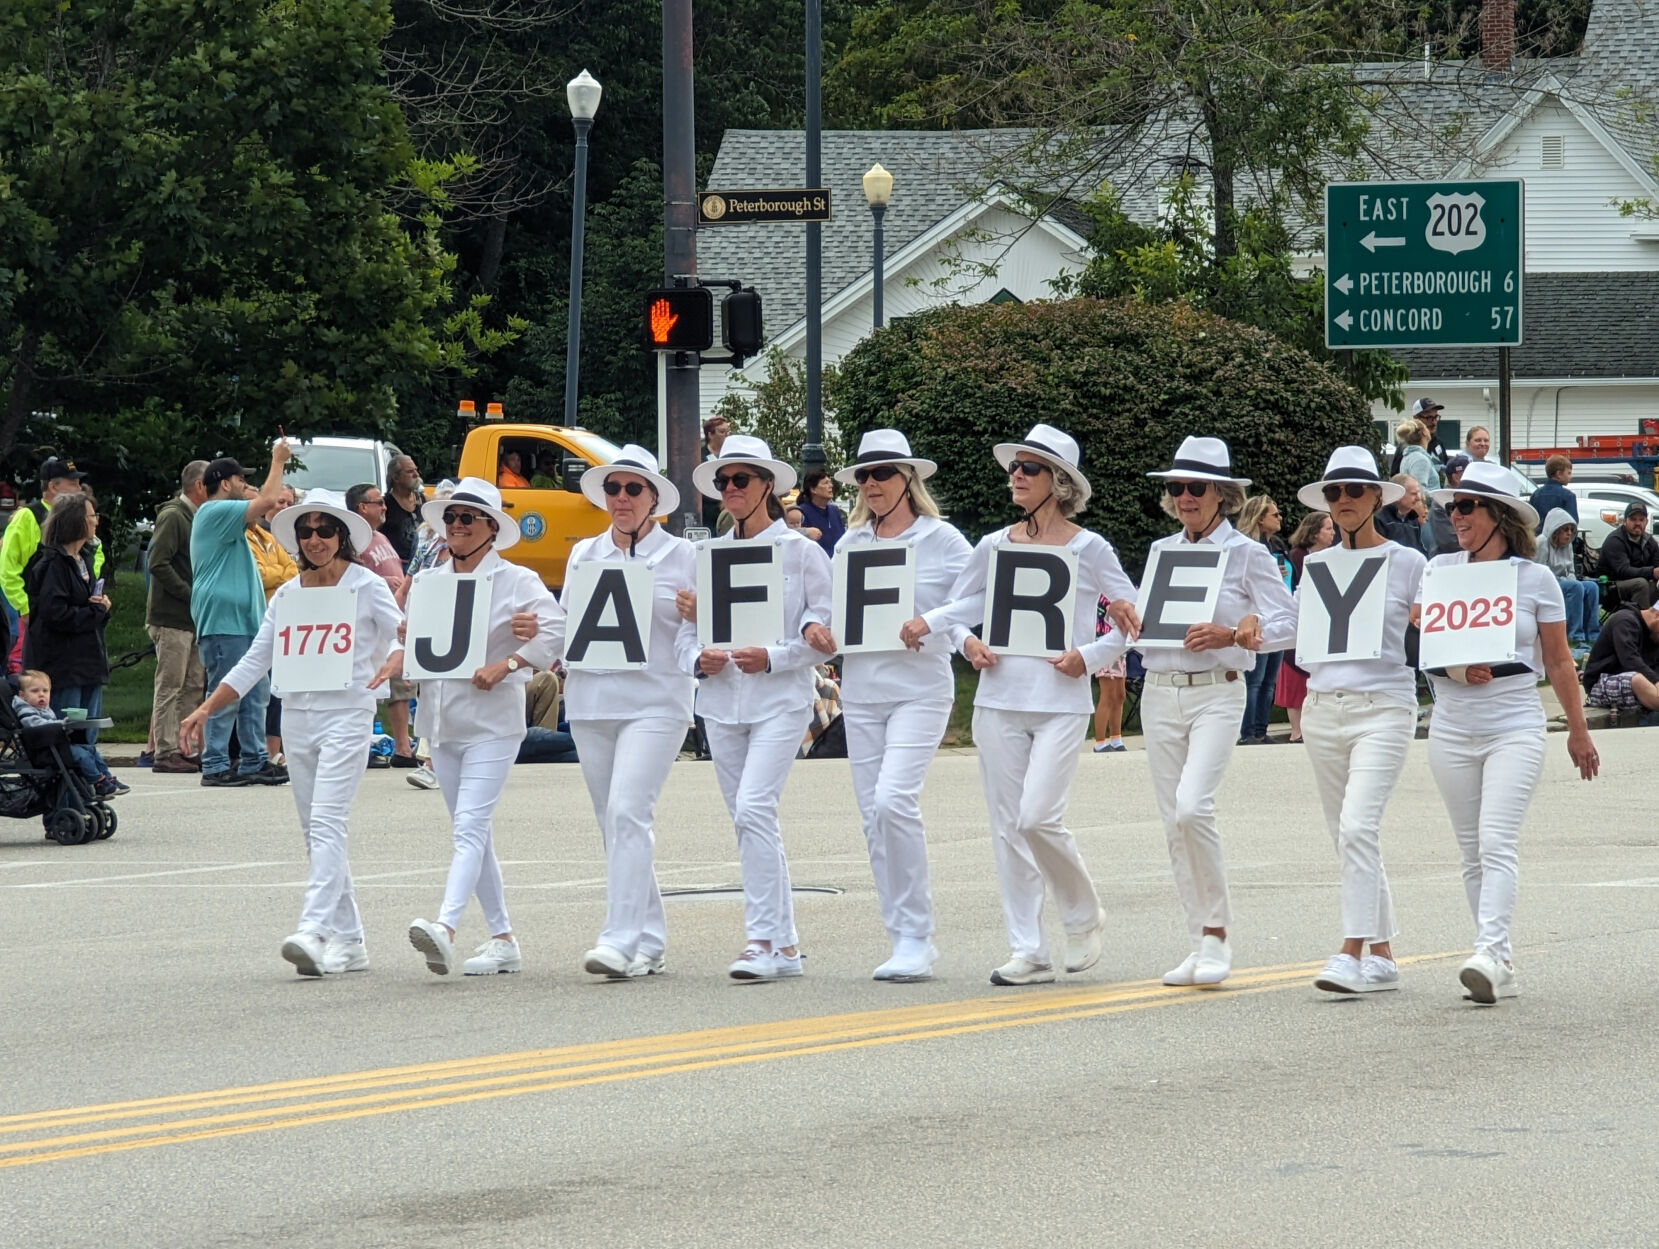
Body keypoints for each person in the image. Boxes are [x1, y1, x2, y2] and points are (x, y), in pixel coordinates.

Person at [920, 424, 1137, 987]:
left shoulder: (1091, 548)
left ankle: (1084, 917)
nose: (1016, 475)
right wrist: (965, 642)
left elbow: (1132, 620)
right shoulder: (993, 545)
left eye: (1030, 468)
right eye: (1015, 466)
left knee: (1038, 817)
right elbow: (959, 607)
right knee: (1007, 827)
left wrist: (1087, 657)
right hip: (998, 701)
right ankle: (1028, 948)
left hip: (1061, 702)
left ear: (1059, 483)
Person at [179, 490, 402, 977]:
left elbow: (403, 632)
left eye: (325, 530)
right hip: (299, 716)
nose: (316, 539)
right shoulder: (289, 594)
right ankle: (350, 940)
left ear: (342, 536)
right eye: (306, 531)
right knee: (315, 832)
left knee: (326, 823)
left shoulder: (366, 585)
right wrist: (203, 709)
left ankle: (313, 929)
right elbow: (254, 661)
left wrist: (397, 654)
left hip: (347, 713)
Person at [1420, 460, 1597, 1004]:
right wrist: (1454, 670)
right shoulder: (1440, 569)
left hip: (1513, 722)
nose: (1455, 515)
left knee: (1497, 840)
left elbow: (1560, 661)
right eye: (1453, 507)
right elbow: (1425, 647)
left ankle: (1490, 951)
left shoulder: (1535, 577)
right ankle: (1498, 958)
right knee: (1471, 849)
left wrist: (1577, 729)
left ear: (1499, 516)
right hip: (1451, 724)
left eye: (1466, 506)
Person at [809, 430, 974, 982]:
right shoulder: (850, 543)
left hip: (920, 688)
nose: (871, 483)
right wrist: (824, 633)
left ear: (908, 479)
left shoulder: (943, 539)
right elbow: (836, 609)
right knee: (872, 818)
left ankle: (919, 935)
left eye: (883, 473)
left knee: (893, 801)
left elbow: (981, 591)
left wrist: (937, 623)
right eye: (863, 475)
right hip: (864, 689)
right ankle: (901, 934)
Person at [1137, 436, 1297, 988]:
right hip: (1158, 692)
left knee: (1191, 808)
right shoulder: (1162, 551)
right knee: (1171, 824)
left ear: (1222, 494)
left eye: (1196, 487)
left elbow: (1290, 622)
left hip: (1217, 690)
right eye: (1177, 487)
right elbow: (1144, 629)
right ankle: (1196, 938)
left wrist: (1237, 633)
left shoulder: (1249, 553)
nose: (1185, 496)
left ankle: (1219, 936)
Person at [676, 435, 835, 981]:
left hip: (779, 701)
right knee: (748, 821)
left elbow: (827, 637)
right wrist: (700, 658)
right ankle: (786, 945)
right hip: (720, 705)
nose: (730, 490)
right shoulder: (708, 555)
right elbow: (683, 638)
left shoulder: (803, 552)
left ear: (768, 485)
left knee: (754, 810)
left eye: (740, 480)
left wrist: (773, 656)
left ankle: (760, 940)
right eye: (722, 482)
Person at [399, 478, 562, 977]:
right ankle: (503, 937)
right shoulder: (429, 580)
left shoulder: (517, 580)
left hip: (493, 723)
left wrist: (511, 663)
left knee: (469, 826)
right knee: (472, 831)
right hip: (443, 722)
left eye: (467, 518)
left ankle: (445, 927)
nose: (455, 526)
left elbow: (556, 629)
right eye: (450, 518)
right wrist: (406, 635)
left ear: (492, 527)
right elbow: (410, 640)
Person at [555, 446, 696, 980]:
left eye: (633, 489)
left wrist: (698, 613)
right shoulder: (584, 554)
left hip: (656, 700)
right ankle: (650, 938)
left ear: (654, 498)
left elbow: (706, 628)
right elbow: (567, 621)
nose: (621, 498)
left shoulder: (684, 556)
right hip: (593, 700)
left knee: (628, 811)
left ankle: (619, 938)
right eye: (613, 489)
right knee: (612, 822)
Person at [1290, 449, 1427, 995]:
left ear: (1376, 497)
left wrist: (1426, 624)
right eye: (1333, 492)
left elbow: (1436, 630)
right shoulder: (1316, 565)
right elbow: (1297, 632)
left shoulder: (1410, 562)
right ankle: (1384, 954)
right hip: (1324, 708)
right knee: (1348, 835)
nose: (1342, 501)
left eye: (1352, 491)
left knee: (1356, 827)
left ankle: (1349, 951)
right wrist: (1237, 633)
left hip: (1385, 706)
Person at [190, 445, 293, 788]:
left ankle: (253, 759)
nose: (244, 485)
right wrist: (277, 461)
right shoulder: (214, 511)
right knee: (226, 689)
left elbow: (265, 504)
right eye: (239, 479)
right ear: (224, 483)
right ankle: (216, 762)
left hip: (244, 620)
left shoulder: (234, 523)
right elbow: (266, 502)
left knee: (256, 692)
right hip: (223, 620)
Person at [24, 492, 117, 785]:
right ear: (77, 521)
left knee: (87, 730)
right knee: (66, 732)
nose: (96, 522)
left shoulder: (85, 559)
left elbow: (86, 605)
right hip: (64, 665)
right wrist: (94, 612)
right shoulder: (52, 564)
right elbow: (56, 614)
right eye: (91, 517)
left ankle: (90, 788)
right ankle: (62, 803)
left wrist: (100, 609)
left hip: (88, 661)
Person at [146, 460, 210, 773]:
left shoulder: (196, 517)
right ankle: (165, 750)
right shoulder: (174, 515)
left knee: (193, 684)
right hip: (172, 617)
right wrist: (190, 593)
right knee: (170, 685)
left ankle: (185, 747)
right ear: (199, 486)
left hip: (192, 618)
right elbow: (158, 562)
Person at [2, 456, 94, 673]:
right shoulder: (28, 516)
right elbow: (7, 567)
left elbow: (93, 558)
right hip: (35, 612)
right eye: (72, 483)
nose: (79, 488)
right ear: (53, 486)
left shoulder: (82, 517)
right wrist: (24, 607)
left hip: (70, 613)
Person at [347, 483, 415, 768]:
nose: (385, 506)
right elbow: (352, 572)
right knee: (378, 682)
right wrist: (386, 582)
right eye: (379, 503)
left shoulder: (380, 537)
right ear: (362, 507)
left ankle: (402, 746)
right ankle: (379, 745)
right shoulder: (354, 540)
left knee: (401, 684)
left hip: (394, 613)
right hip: (371, 620)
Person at [13, 669, 128, 798]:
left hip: (55, 747)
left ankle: (107, 777)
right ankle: (98, 782)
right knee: (82, 755)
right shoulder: (25, 710)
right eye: (35, 691)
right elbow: (36, 724)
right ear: (22, 695)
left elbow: (51, 722)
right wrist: (61, 725)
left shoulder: (43, 708)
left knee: (91, 750)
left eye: (45, 691)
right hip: (44, 751)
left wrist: (65, 723)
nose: (41, 695)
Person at [248, 485, 300, 765]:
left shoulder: (276, 537)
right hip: (263, 616)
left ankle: (276, 750)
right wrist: (280, 574)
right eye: (279, 501)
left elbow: (294, 572)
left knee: (279, 691)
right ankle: (258, 752)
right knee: (261, 688)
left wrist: (280, 574)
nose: (283, 506)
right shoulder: (256, 535)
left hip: (288, 619)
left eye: (289, 502)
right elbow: (260, 574)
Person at [1276, 510, 1334, 744]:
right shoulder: (1298, 556)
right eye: (1328, 528)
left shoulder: (1331, 555)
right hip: (1300, 619)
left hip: (1322, 620)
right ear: (1314, 532)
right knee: (1294, 674)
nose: (1333, 533)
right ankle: (1296, 730)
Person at [1235, 495, 1289, 745]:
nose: (1280, 518)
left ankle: (1260, 728)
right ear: (1259, 519)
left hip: (1276, 616)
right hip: (1254, 618)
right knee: (1254, 679)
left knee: (1269, 680)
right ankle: (1247, 732)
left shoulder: (1277, 545)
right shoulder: (1246, 549)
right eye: (1274, 515)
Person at [1537, 508, 1601, 659]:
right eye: (1565, 530)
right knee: (1576, 587)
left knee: (1592, 587)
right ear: (1555, 530)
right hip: (1546, 584)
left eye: (1571, 530)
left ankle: (1592, 634)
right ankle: (1575, 635)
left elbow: (1571, 571)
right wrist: (1568, 581)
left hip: (1565, 582)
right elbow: (1539, 573)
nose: (1568, 533)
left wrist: (1570, 579)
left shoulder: (1568, 544)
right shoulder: (1541, 542)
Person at [1581, 603, 1659, 714]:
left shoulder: (1654, 635)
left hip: (1639, 684)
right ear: (1657, 615)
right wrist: (1656, 682)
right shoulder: (1624, 621)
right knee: (1637, 679)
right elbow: (1630, 661)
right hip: (1601, 682)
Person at [1599, 501, 1659, 610]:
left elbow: (1657, 565)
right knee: (1641, 584)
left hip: (1639, 584)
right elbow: (1623, 571)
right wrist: (1652, 572)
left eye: (1641, 520)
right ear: (1625, 521)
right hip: (1611, 587)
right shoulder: (1615, 540)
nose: (1637, 523)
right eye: (1633, 519)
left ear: (1646, 522)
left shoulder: (1649, 541)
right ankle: (1641, 624)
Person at [1092, 597, 1129, 753]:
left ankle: (1116, 738)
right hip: (1104, 644)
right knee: (1107, 694)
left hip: (1119, 648)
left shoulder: (1117, 593)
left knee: (1120, 695)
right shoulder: (1101, 596)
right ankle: (1099, 742)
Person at [796, 467, 846, 558]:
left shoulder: (834, 511)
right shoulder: (802, 512)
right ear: (813, 489)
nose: (831, 486)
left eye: (830, 482)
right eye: (825, 483)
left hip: (838, 564)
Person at [1425, 455, 1470, 555]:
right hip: (1446, 562)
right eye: (1470, 474)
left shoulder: (1473, 498)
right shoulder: (1441, 502)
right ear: (1457, 477)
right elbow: (1449, 542)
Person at [1375, 474, 1431, 552]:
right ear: (1398, 495)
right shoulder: (1379, 519)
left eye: (1418, 493)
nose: (1418, 498)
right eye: (1413, 494)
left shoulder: (1413, 519)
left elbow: (1419, 550)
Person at [382, 455, 423, 564]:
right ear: (396, 477)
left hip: (421, 565)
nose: (416, 475)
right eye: (410, 471)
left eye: (416, 470)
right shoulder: (384, 505)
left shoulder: (423, 501)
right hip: (397, 568)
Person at [1390, 398, 1448, 473]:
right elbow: (1396, 477)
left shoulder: (1438, 443)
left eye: (1436, 417)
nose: (1434, 422)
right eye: (1429, 418)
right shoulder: (1407, 447)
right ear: (1416, 418)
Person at [1528, 455, 1579, 529]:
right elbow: (1573, 521)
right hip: (1558, 538)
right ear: (1559, 474)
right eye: (1569, 473)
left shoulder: (1536, 495)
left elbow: (1531, 519)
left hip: (1538, 537)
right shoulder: (1568, 496)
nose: (1571, 477)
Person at [1394, 418, 1441, 496]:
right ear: (1423, 432)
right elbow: (1419, 492)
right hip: (1428, 508)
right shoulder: (1420, 459)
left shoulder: (1408, 457)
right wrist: (1441, 497)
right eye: (1426, 427)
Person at [700, 416, 732, 530]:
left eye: (728, 431)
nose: (726, 435)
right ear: (710, 434)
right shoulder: (699, 456)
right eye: (722, 432)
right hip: (708, 510)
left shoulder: (731, 454)